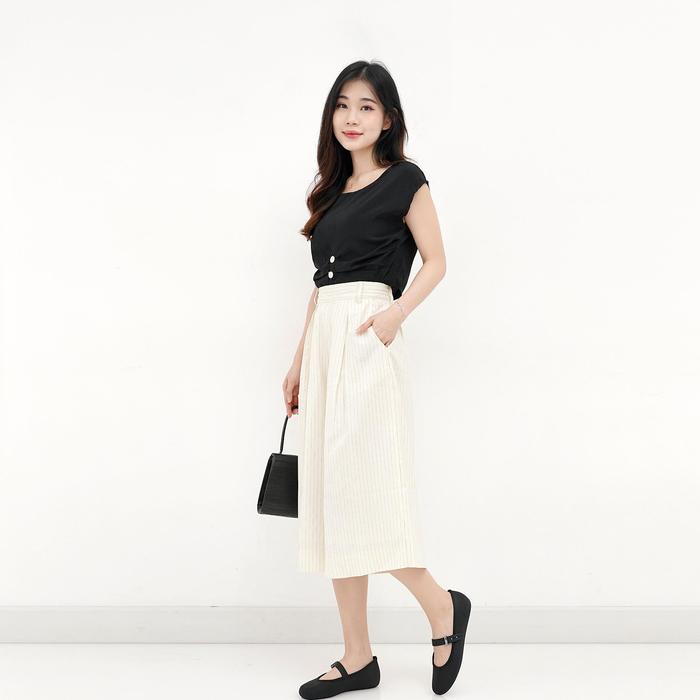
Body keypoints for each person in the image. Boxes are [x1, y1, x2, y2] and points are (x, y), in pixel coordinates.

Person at [282, 60, 471, 698]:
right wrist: (299, 359)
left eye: (366, 107)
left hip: (369, 336)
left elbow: (436, 261)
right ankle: (357, 657)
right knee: (335, 502)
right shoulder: (330, 194)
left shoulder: (406, 180)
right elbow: (321, 288)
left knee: (367, 497)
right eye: (342, 105)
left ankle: (442, 605)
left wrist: (394, 315)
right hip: (326, 344)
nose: (352, 118)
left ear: (388, 118)